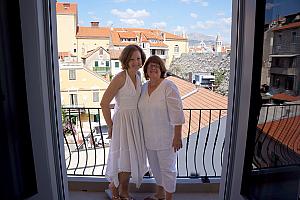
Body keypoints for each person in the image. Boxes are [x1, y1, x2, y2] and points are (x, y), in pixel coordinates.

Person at [100, 44, 148, 200]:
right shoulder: (121, 77)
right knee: (123, 158)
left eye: (138, 58)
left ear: (142, 60)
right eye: (132, 58)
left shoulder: (139, 76)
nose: (135, 61)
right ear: (126, 60)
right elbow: (104, 102)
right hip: (122, 122)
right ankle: (121, 190)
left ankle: (117, 188)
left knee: (130, 157)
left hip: (135, 121)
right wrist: (110, 125)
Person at [138, 55, 185, 200]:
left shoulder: (168, 86)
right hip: (149, 138)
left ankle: (168, 197)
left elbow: (177, 112)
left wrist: (177, 136)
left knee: (167, 170)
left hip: (166, 138)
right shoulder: (144, 87)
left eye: (157, 66)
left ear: (161, 69)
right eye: (150, 66)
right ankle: (159, 194)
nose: (153, 68)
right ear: (146, 70)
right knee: (155, 168)